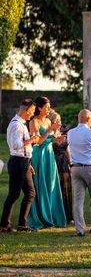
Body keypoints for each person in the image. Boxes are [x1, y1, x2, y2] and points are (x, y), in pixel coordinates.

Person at [28, 97, 66, 229]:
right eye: (46, 107)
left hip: (49, 154)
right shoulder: (34, 122)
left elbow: (51, 140)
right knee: (41, 185)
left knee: (51, 184)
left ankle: (52, 215)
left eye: (49, 107)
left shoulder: (49, 120)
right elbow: (37, 141)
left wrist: (58, 139)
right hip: (39, 155)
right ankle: (40, 217)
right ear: (39, 108)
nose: (49, 109)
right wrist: (50, 130)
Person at [1, 99, 38, 232]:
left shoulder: (22, 124)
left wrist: (28, 163)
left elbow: (23, 148)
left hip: (24, 162)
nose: (32, 114)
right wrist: (31, 140)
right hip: (18, 162)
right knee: (14, 194)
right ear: (26, 110)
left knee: (30, 193)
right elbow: (16, 145)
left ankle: (22, 225)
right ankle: (5, 225)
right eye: (32, 111)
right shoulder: (16, 125)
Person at [52, 117, 73, 224]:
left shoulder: (64, 135)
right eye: (56, 121)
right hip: (54, 164)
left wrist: (71, 165)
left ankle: (68, 215)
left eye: (59, 120)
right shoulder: (49, 135)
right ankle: (55, 215)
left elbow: (68, 151)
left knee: (66, 190)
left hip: (64, 165)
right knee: (57, 190)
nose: (59, 123)